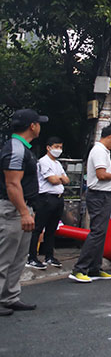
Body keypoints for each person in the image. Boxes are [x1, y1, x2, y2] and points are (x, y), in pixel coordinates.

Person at [70, 125, 111, 284]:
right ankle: (79, 268)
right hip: (99, 195)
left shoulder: (104, 151)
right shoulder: (99, 151)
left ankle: (94, 268)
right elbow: (101, 175)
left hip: (104, 194)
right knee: (97, 232)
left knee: (101, 232)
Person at [1, 109, 45, 314]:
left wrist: (28, 210)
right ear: (32, 126)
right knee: (4, 257)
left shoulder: (22, 148)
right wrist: (23, 212)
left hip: (21, 207)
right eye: (38, 123)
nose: (40, 126)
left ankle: (9, 296)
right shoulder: (15, 148)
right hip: (11, 209)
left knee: (18, 257)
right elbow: (12, 184)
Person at [28, 136, 68, 269]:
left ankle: (49, 256)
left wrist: (60, 178)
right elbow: (53, 180)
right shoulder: (43, 161)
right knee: (38, 228)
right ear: (48, 148)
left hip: (58, 198)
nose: (59, 150)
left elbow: (67, 180)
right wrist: (60, 178)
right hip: (46, 198)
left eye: (60, 147)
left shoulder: (57, 164)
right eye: (56, 147)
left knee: (52, 229)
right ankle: (32, 257)